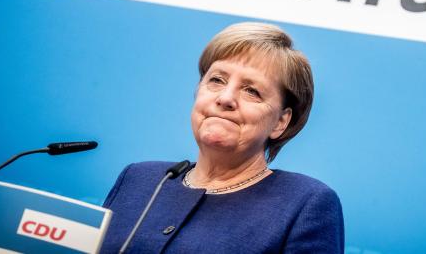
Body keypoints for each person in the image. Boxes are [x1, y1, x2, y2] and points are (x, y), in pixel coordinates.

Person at [100, 22, 344, 253]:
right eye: (217, 80)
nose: (226, 98)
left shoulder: (304, 204)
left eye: (252, 91)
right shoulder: (138, 179)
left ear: (280, 122)